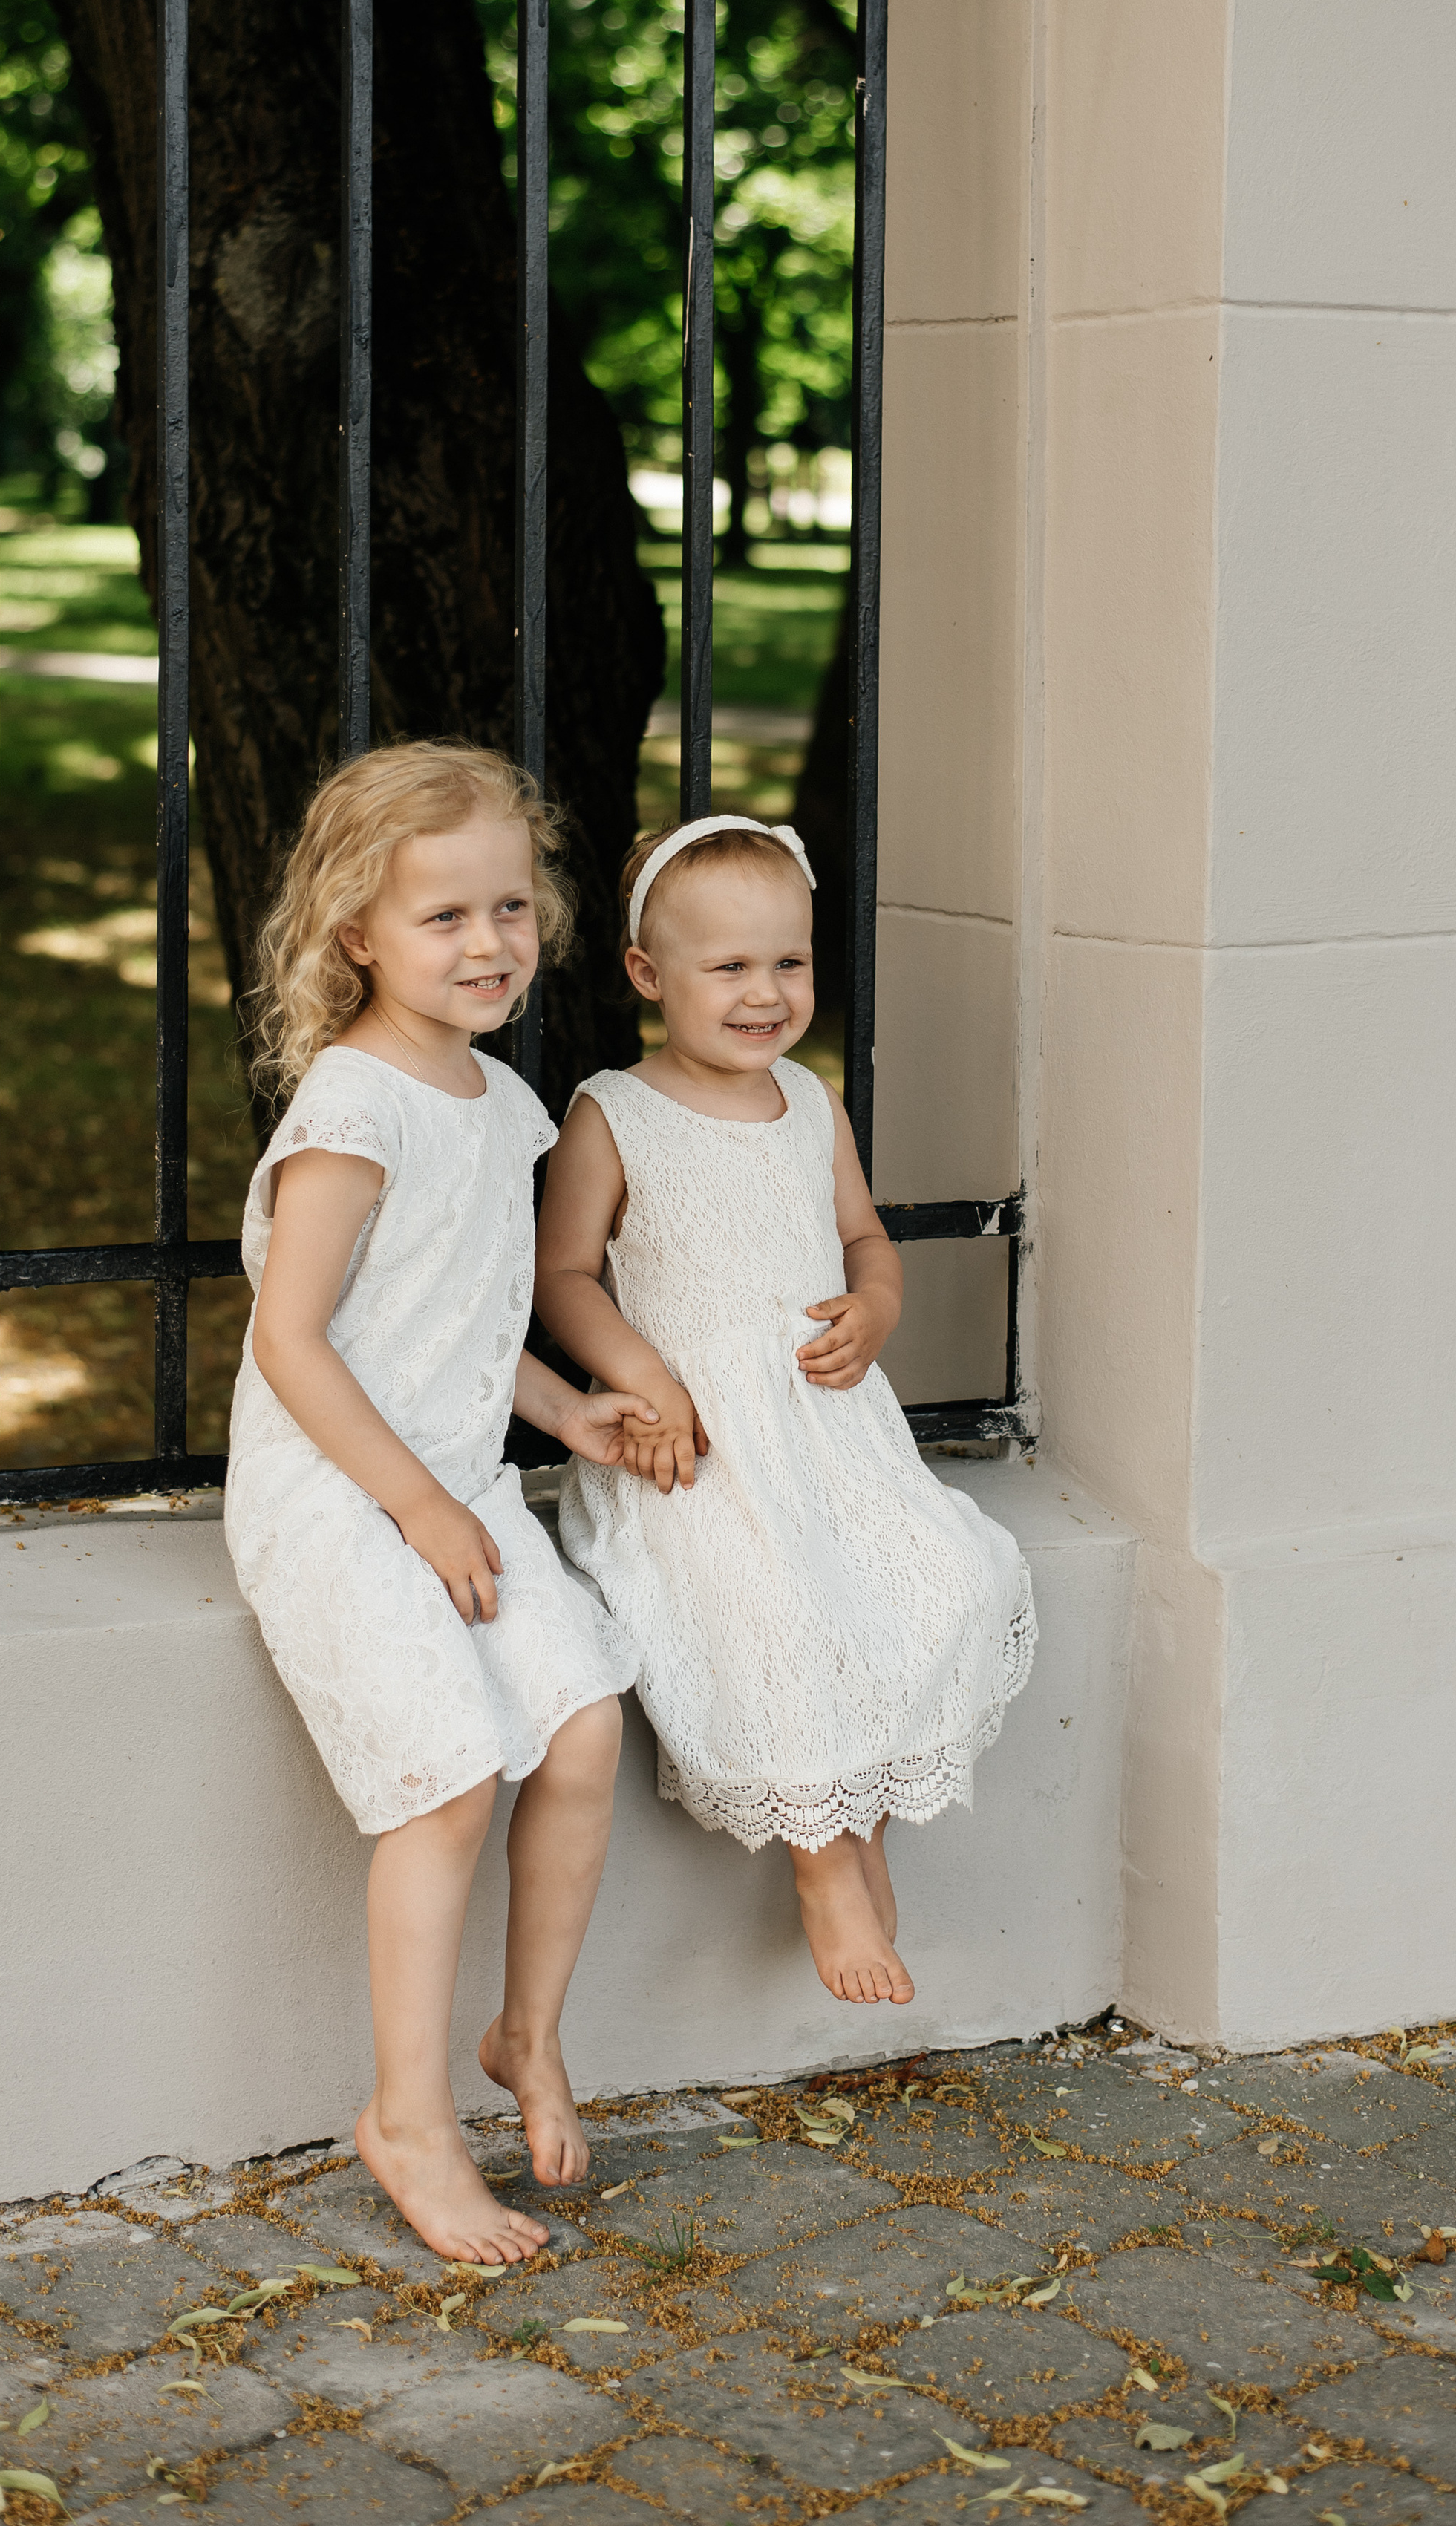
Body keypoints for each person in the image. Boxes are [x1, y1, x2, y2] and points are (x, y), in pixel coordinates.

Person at [225, 740, 652, 2265]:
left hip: (454, 1482)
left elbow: (468, 1318)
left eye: (510, 911)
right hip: (338, 1492)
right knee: (450, 1779)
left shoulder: (501, 1099)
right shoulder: (354, 1106)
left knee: (585, 1724)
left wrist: (565, 1413)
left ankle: (523, 2033)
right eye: (442, 920)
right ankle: (407, 2116)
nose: (487, 946)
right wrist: (417, 1506)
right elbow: (291, 1339)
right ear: (356, 936)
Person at [536, 814, 1036, 2009]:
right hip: (697, 1445)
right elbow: (559, 1279)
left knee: (942, 1578)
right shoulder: (615, 1112)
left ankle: (862, 1818)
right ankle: (822, 1865)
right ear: (650, 977)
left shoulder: (810, 1103)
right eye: (731, 968)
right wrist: (648, 1381)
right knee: (770, 1605)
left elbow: (863, 1231)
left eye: (791, 963)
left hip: (823, 1433)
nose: (767, 994)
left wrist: (876, 1301)